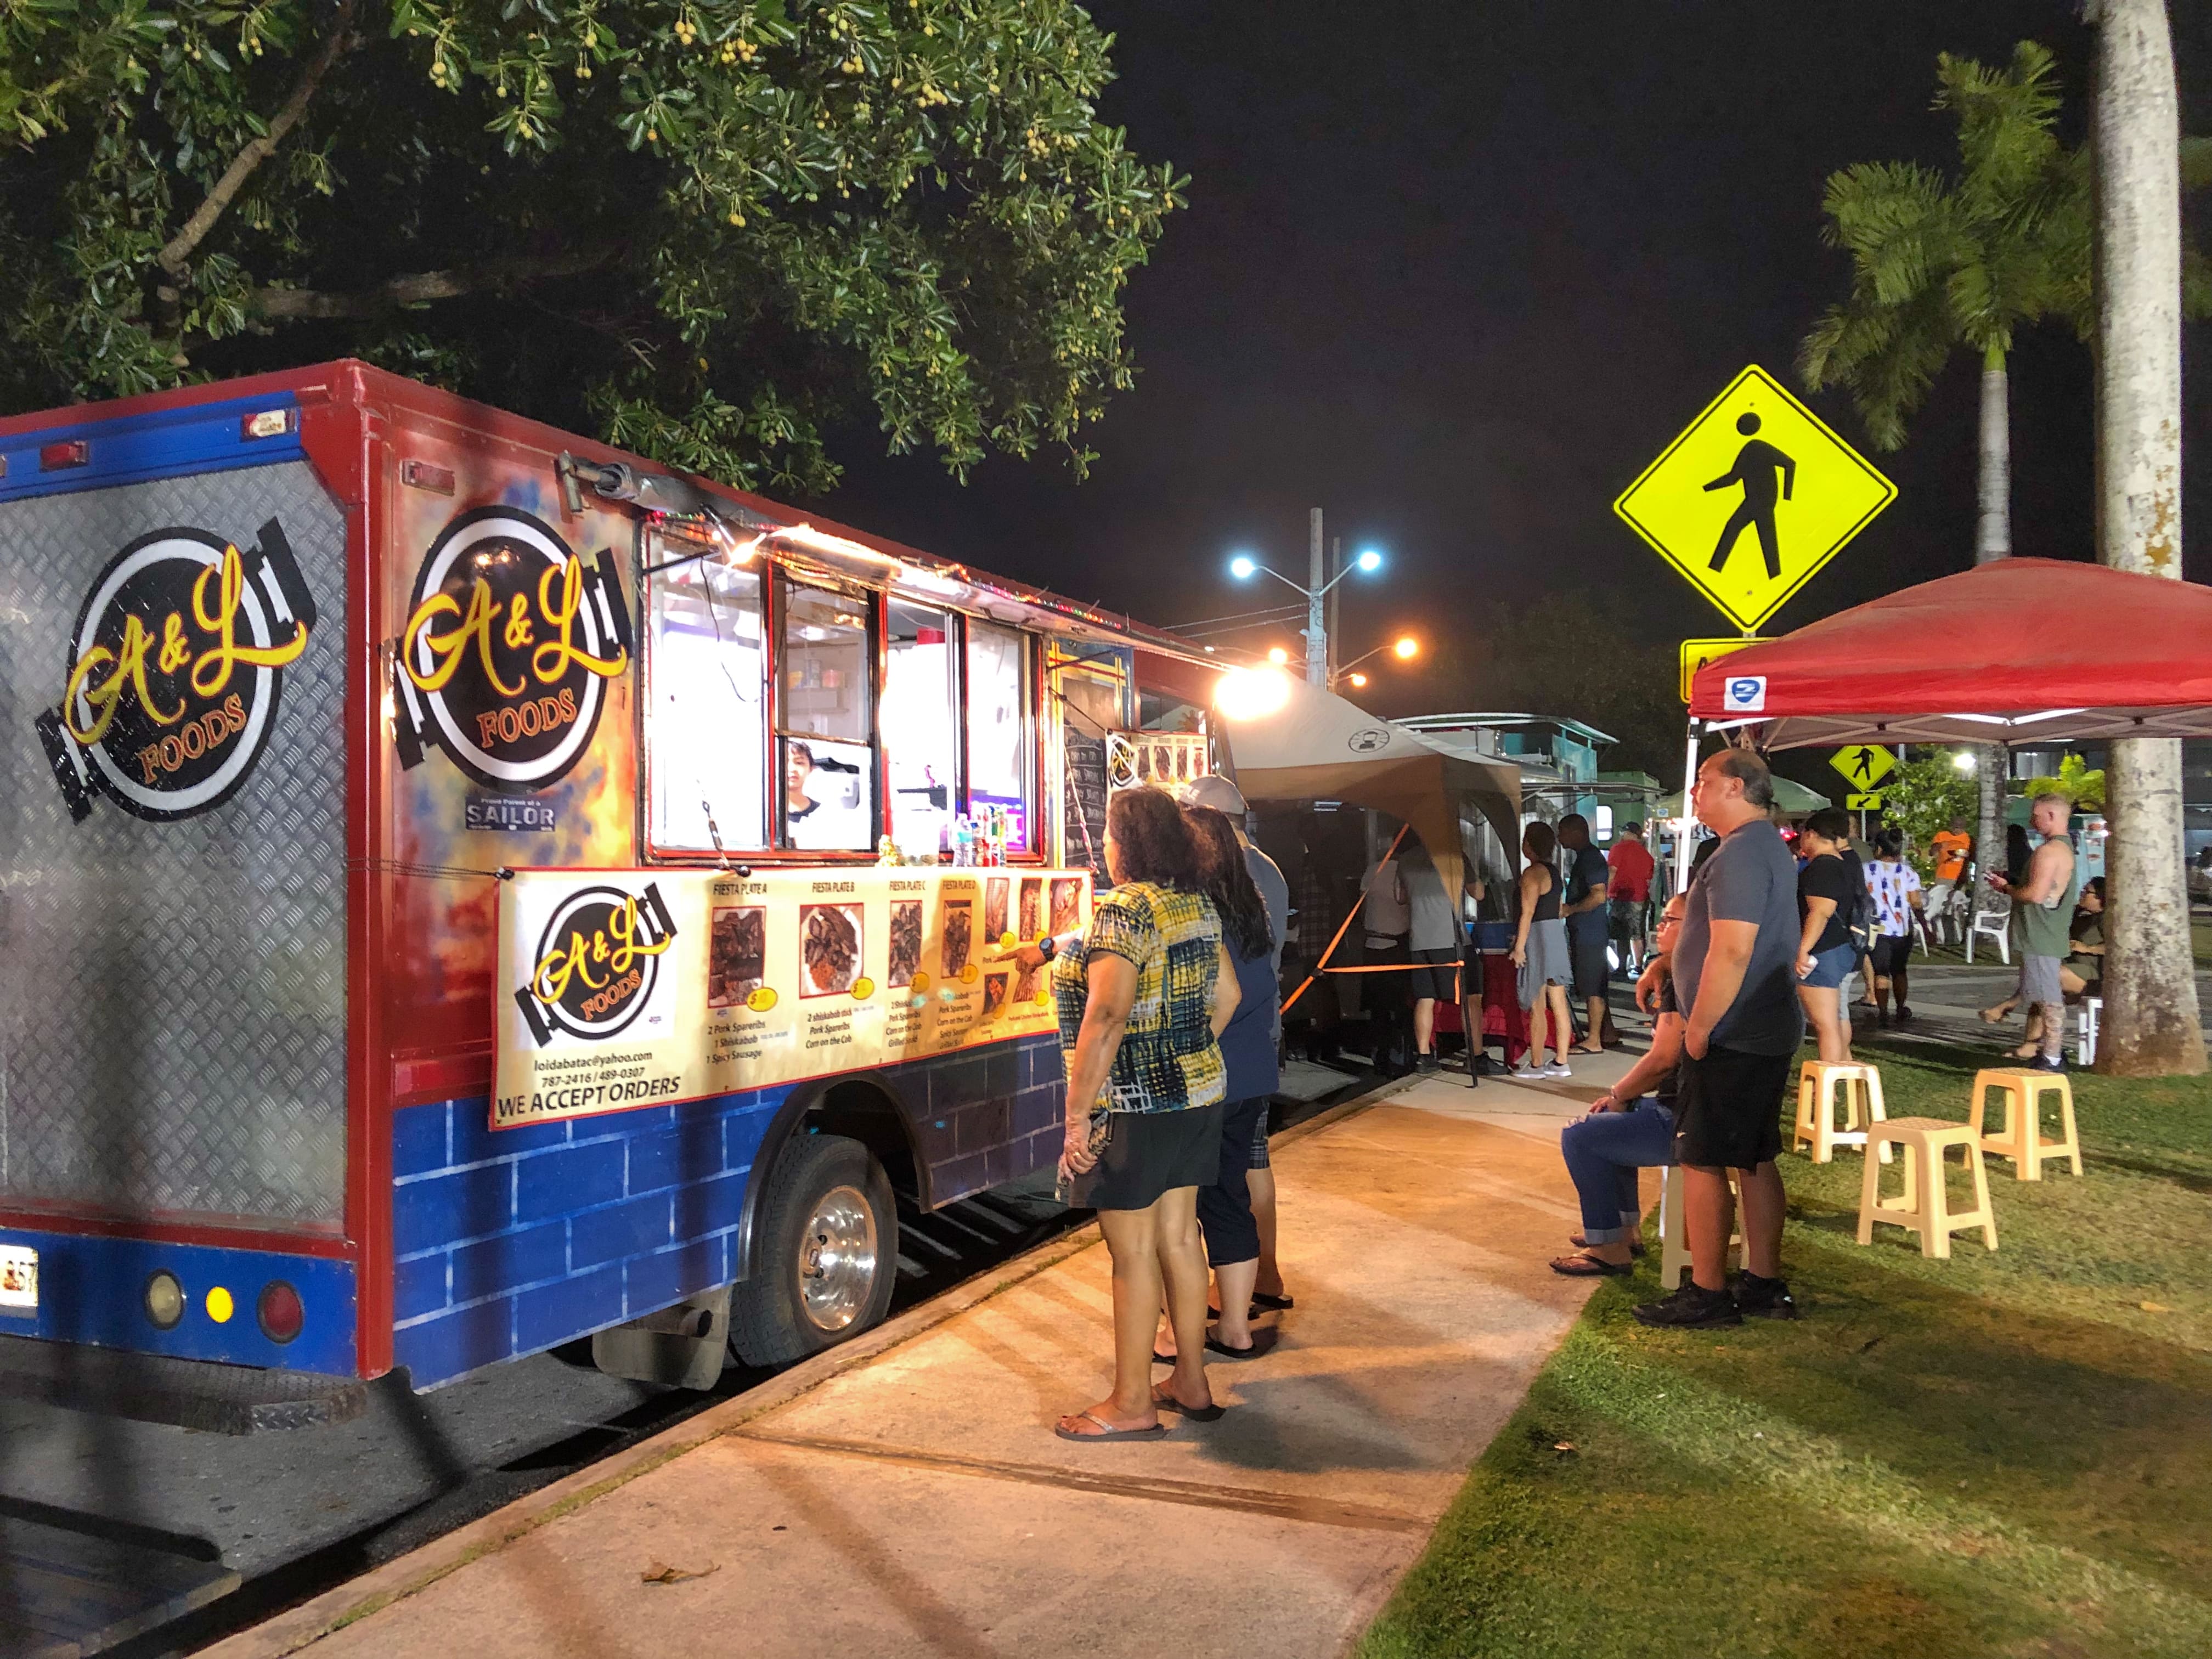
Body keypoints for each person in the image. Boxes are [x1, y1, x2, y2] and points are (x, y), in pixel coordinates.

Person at [1049, 786, 1240, 1440]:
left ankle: (1132, 1403)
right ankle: (1191, 1379)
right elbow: (1230, 997)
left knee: (1131, 1256)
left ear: (1125, 842)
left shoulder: (1124, 909)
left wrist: (1077, 1117)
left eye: (1108, 833)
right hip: (1198, 1095)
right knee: (1181, 1239)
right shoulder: (1198, 903)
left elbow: (1105, 1015)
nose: (1103, 843)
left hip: (1136, 1106)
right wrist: (1187, 1054)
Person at [1633, 748, 1804, 1329]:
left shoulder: (1741, 854)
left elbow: (1732, 948)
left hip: (1735, 1030)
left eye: (1703, 782)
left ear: (1735, 787)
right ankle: (1761, 1280)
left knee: (1702, 1159)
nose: (1695, 792)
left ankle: (1708, 1293)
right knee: (1754, 1157)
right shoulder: (1763, 847)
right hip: (1765, 1025)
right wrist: (1668, 964)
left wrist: (1699, 1027)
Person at [1154, 805, 1282, 1362]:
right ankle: (1234, 1328)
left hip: (1210, 1079)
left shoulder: (1196, 913)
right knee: (1229, 1198)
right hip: (1254, 1074)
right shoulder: (1252, 910)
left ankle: (1167, 1335)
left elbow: (1223, 998)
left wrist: (1189, 1048)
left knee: (1175, 1213)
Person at [1176, 777, 1293, 1307]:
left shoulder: (1224, 873)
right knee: (1253, 1160)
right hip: (1261, 1030)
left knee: (1223, 1182)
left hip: (1229, 1036)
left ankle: (1232, 1291)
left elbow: (1227, 983)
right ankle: (1265, 1276)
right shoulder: (1269, 867)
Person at [1551, 896, 1689, 1276]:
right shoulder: (1696, 970)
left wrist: (1619, 1093)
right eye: (1660, 919)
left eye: (1671, 921)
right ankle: (1624, 1231)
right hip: (1692, 1108)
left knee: (1581, 1137)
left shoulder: (1686, 980)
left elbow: (1663, 1059)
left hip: (1687, 1119)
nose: (1660, 927)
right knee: (1616, 1116)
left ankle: (1608, 1247)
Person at [1989, 793, 2079, 1073]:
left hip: (2041, 932)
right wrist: (2015, 881)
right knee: (2043, 995)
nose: (2032, 821)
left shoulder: (2049, 852)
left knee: (2049, 999)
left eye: (2036, 815)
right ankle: (2049, 1053)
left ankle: (2052, 1057)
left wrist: (2008, 889)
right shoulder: (2062, 850)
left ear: (2052, 815)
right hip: (2046, 932)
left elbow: (2035, 895)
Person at [1793, 809, 1858, 1063]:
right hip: (1838, 948)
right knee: (1835, 1019)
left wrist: (1803, 950)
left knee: (1825, 1025)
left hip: (1821, 952)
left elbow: (1821, 912)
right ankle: (1845, 1068)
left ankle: (1827, 1088)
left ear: (1811, 834)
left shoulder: (1822, 867)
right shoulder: (1842, 863)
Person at [1511, 821, 1575, 1080]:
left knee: (1537, 1003)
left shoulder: (1532, 874)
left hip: (1537, 935)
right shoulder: (1555, 873)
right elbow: (1558, 908)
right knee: (1559, 1002)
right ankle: (1561, 1062)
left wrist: (1518, 947)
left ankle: (1536, 1064)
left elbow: (1527, 913)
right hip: (1555, 933)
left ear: (1529, 845)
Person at [1398, 835, 1459, 1073]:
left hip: (1418, 938)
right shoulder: (1452, 858)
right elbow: (1479, 893)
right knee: (1465, 997)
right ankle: (1475, 1053)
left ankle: (1424, 1056)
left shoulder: (1405, 860)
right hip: (1447, 937)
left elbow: (1400, 897)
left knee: (1425, 998)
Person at [1557, 814, 1612, 1054]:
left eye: (1563, 832)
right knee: (1596, 982)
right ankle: (1606, 1033)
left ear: (1577, 832)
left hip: (1590, 932)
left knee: (1591, 986)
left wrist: (1571, 909)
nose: (1560, 838)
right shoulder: (1586, 858)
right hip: (1590, 931)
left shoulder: (1590, 859)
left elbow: (1599, 895)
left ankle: (1593, 1040)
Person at [1359, 843, 1414, 1073]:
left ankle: (1382, 1055)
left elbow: (1362, 907)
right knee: (1403, 1005)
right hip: (1399, 945)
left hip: (1372, 944)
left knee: (1378, 1007)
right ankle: (1405, 1053)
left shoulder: (1373, 869)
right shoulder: (1409, 872)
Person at [1860, 830, 1922, 1024]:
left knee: (1881, 972)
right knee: (1900, 970)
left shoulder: (1865, 869)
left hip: (1877, 929)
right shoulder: (1909, 873)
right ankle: (1901, 1007)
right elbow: (1916, 903)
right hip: (1902, 929)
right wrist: (1926, 927)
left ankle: (1884, 1012)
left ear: (1878, 848)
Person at [1607, 822, 1657, 977]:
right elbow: (1648, 880)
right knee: (1637, 933)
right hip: (1640, 897)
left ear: (1628, 833)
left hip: (1619, 896)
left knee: (1621, 933)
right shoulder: (1646, 855)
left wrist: (1604, 892)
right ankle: (1638, 967)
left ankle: (1622, 967)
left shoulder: (1617, 849)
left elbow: (1612, 871)